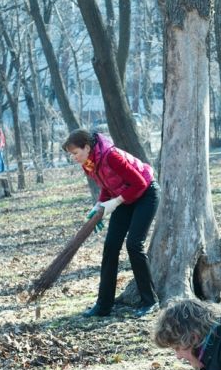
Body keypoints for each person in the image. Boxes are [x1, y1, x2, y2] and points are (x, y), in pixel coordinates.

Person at [64, 128, 159, 317]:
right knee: (110, 246)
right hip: (125, 197)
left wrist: (114, 203)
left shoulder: (111, 156)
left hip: (146, 194)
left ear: (87, 147)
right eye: (70, 155)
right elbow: (108, 186)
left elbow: (139, 183)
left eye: (75, 153)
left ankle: (150, 300)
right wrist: (99, 205)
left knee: (134, 244)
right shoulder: (89, 163)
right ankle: (104, 305)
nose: (73, 157)